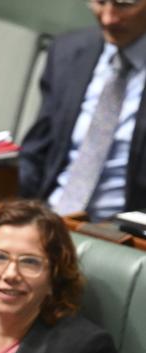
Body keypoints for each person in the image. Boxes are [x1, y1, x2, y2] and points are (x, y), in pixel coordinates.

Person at [19, 0, 146, 222]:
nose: (108, 18)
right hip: (49, 219)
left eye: (124, 4)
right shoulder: (67, 50)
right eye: (99, 2)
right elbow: (37, 149)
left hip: (125, 237)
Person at [0, 200, 118, 353]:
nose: (10, 274)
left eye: (29, 262)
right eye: (0, 257)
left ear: (55, 276)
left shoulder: (85, 350)